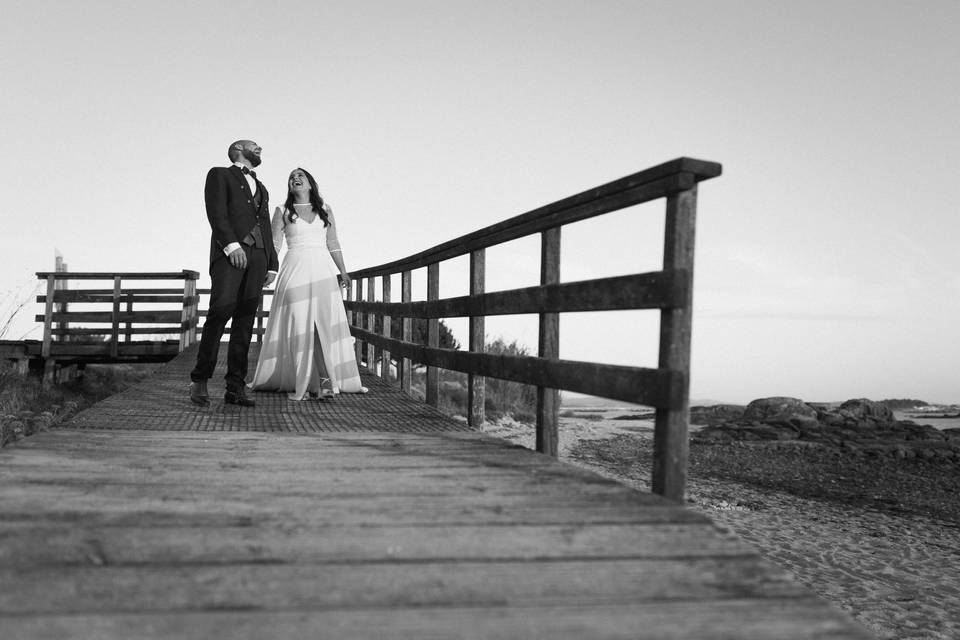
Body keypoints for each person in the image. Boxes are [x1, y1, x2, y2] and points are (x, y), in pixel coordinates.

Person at [250, 167, 367, 400]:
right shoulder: (282, 210)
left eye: (300, 175)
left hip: (322, 270)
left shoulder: (325, 210)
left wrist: (342, 271)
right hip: (294, 268)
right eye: (291, 177)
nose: (295, 179)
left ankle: (324, 381)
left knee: (321, 323)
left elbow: (333, 242)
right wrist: (269, 270)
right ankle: (299, 379)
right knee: (298, 321)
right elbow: (274, 245)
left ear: (310, 184)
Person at [189, 140, 278, 407]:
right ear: (238, 148)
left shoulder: (262, 187)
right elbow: (216, 213)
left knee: (245, 322)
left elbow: (265, 228)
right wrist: (231, 246)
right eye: (255, 145)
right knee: (220, 313)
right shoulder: (219, 174)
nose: (261, 148)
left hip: (259, 257)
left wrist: (271, 262)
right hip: (230, 254)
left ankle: (235, 387)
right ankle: (200, 379)